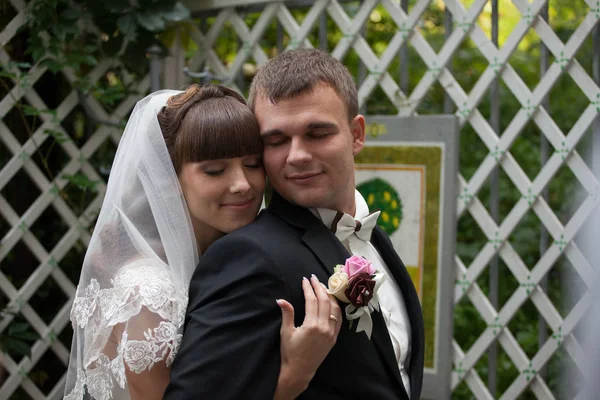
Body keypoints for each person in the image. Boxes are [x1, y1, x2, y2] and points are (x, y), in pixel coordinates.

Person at [164, 49, 425, 399]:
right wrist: (292, 377)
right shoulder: (248, 258)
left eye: (317, 134)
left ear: (357, 134)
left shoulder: (376, 238)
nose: (297, 155)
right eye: (276, 140)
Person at [63, 84, 342, 400]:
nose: (241, 185)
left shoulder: (230, 264)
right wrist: (294, 375)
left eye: (252, 164)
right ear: (170, 181)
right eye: (214, 171)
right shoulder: (150, 293)